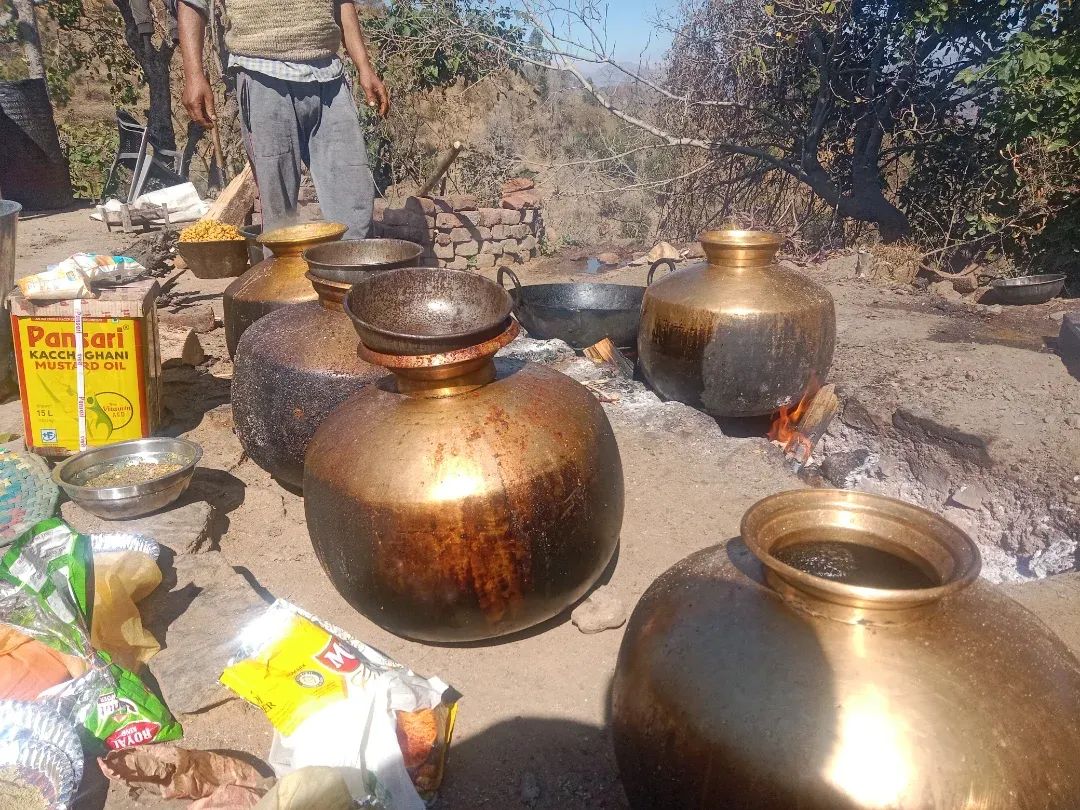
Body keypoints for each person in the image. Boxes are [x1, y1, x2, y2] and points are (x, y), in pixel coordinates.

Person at [177, 0, 389, 238]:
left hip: (329, 75)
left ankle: (349, 270)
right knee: (279, 212)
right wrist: (194, 74)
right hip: (262, 73)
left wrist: (365, 67)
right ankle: (282, 272)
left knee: (353, 198)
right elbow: (192, 4)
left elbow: (343, 3)